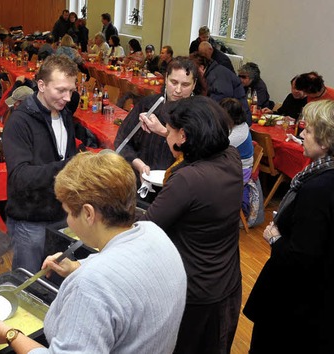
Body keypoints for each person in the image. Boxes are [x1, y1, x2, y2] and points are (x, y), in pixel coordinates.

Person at [0, 152, 187, 353]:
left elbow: (102, 284)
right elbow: (128, 268)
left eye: (69, 213)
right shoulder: (155, 234)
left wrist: (10, 334)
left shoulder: (90, 286)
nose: (68, 220)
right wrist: (75, 267)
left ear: (89, 214)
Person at [141, 96, 243, 353]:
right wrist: (167, 132)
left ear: (184, 135)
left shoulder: (187, 179)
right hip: (226, 281)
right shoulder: (230, 156)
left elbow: (147, 228)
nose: (167, 135)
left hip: (194, 288)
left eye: (171, 131)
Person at [243, 99, 334, 353]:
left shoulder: (318, 188)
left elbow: (303, 257)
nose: (302, 134)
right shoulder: (320, 175)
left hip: (294, 304)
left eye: (309, 130)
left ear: (325, 141)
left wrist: (275, 237)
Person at [3, 54, 79, 272]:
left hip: (61, 215)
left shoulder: (63, 114)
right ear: (42, 85)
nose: (67, 98)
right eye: (61, 90)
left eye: (71, 91)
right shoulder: (19, 122)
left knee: (57, 278)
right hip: (31, 222)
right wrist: (69, 166)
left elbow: (66, 155)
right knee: (29, 283)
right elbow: (20, 177)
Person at [114, 57, 206, 186]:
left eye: (185, 85)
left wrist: (163, 131)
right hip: (140, 182)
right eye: (173, 82)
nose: (178, 90)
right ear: (166, 78)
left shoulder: (201, 115)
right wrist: (139, 165)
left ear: (194, 84)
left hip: (180, 187)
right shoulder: (148, 106)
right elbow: (122, 141)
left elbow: (200, 157)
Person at [190, 53, 251, 124]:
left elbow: (218, 107)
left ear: (201, 68)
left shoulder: (217, 77)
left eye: (194, 71)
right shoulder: (216, 71)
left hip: (237, 122)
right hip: (235, 118)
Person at [220, 98, 255, 217]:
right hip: (232, 164)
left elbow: (216, 147)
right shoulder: (239, 125)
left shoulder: (238, 134)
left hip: (240, 171)